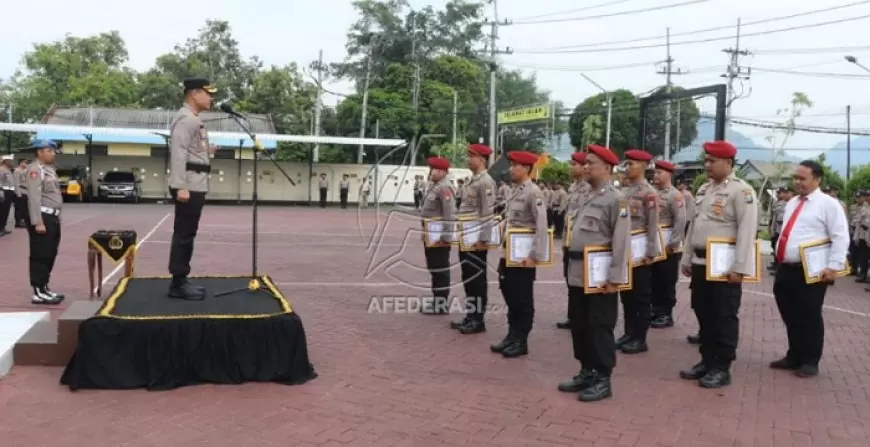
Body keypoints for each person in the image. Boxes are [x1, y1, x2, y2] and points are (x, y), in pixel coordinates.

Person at [679, 140, 758, 389]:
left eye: (712, 161)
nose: (707, 165)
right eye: (706, 160)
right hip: (702, 262)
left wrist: (740, 267)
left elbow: (747, 230)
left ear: (728, 163)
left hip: (724, 267)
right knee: (703, 312)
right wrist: (687, 257)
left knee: (723, 316)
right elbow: (694, 226)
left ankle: (722, 367)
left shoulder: (741, 191)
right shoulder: (704, 190)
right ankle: (707, 359)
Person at [558, 143, 630, 402]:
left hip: (600, 275)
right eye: (585, 163)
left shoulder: (616, 199)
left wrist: (614, 278)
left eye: (591, 163)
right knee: (579, 323)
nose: (585, 166)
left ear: (607, 167)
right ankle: (586, 370)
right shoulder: (585, 195)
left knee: (599, 325)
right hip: (578, 270)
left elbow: (621, 242)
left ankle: (602, 377)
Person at [771, 160, 848, 378]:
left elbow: (840, 236)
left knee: (809, 314)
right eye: (795, 178)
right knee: (789, 312)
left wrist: (834, 266)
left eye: (802, 178)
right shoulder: (793, 202)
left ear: (817, 179)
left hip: (812, 270)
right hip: (787, 267)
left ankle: (810, 360)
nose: (797, 182)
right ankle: (794, 354)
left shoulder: (828, 204)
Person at [490, 151, 548, 358]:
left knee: (522, 299)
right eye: (512, 165)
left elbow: (541, 226)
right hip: (509, 253)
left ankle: (521, 340)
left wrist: (535, 256)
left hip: (524, 258)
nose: (511, 169)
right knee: (510, 294)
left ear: (527, 169)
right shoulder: (514, 191)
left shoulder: (534, 193)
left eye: (516, 166)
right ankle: (512, 335)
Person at [167, 77, 218, 300]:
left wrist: (208, 151)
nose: (211, 97)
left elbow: (190, 150)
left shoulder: (193, 119)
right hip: (188, 184)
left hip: (195, 182)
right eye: (208, 93)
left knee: (188, 233)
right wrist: (180, 186)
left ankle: (181, 279)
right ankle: (178, 283)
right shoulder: (187, 120)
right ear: (194, 94)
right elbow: (178, 152)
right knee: (184, 235)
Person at [617, 149, 660, 355]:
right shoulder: (624, 191)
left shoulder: (649, 193)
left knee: (640, 296)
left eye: (632, 164)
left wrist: (651, 251)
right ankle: (628, 332)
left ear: (644, 166)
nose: (628, 168)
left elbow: (653, 224)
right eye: (626, 164)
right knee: (626, 295)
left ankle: (640, 337)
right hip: (625, 249)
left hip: (640, 251)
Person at [450, 144, 497, 334]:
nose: (469, 159)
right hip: (466, 238)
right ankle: (471, 315)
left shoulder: (486, 182)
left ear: (482, 160)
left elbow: (487, 213)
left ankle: (478, 320)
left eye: (472, 156)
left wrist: (484, 239)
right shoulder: (472, 181)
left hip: (476, 240)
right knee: (468, 277)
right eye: (468, 156)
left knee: (476, 279)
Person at [25, 139, 65, 304]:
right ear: (39, 152)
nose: (53, 153)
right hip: (42, 217)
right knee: (40, 255)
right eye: (50, 150)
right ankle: (38, 291)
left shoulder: (49, 170)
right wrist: (37, 222)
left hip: (52, 217)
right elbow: (34, 198)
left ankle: (45, 287)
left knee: (50, 254)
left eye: (53, 151)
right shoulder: (35, 170)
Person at [649, 160, 687, 329]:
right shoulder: (651, 193)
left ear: (669, 175)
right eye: (655, 173)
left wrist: (673, 243)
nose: (656, 176)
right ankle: (655, 310)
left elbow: (680, 220)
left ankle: (666, 313)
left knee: (666, 280)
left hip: (668, 247)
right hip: (653, 245)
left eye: (659, 173)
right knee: (653, 280)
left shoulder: (675, 195)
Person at [557, 151, 591, 330]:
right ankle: (573, 315)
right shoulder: (573, 187)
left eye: (574, 164)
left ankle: (581, 315)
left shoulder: (587, 189)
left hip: (580, 240)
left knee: (580, 280)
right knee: (569, 278)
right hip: (568, 240)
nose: (571, 167)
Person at [419, 156, 455, 315]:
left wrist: (446, 237)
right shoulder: (435, 186)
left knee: (440, 268)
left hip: (439, 238)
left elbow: (449, 214)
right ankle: (436, 300)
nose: (430, 172)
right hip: (431, 236)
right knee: (434, 267)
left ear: (441, 171)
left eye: (433, 169)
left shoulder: (444, 188)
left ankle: (441, 303)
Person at [767, 187, 790, 273]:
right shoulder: (778, 202)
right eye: (778, 193)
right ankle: (776, 265)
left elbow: (781, 218)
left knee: (779, 248)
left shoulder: (788, 204)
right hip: (776, 228)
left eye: (780, 193)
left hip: (781, 230)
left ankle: (778, 268)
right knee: (774, 247)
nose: (778, 195)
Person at [0, 157, 15, 235]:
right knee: (2, 211)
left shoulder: (8, 169)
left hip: (9, 192)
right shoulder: (2, 169)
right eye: (10, 161)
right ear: (6, 161)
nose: (12, 162)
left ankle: (3, 227)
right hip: (4, 192)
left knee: (6, 211)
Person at [14, 158, 28, 228]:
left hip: (26, 192)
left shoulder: (25, 170)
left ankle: (23, 220)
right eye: (25, 162)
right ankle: (18, 221)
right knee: (19, 207)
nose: (26, 164)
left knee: (24, 207)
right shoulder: (17, 170)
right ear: (21, 163)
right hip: (21, 191)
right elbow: (16, 183)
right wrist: (18, 193)